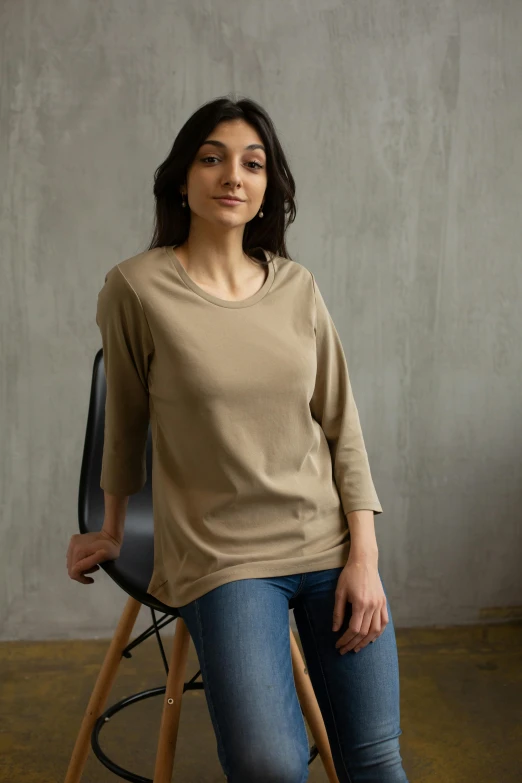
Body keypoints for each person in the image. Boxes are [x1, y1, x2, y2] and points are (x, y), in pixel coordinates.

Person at [67, 95, 409, 782]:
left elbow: (343, 428)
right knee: (269, 765)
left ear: (266, 190)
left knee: (374, 759)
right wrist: (111, 529)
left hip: (329, 542)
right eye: (212, 158)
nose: (233, 176)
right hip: (224, 558)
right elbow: (126, 423)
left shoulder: (297, 288)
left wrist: (365, 557)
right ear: (182, 180)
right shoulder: (136, 289)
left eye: (252, 164)